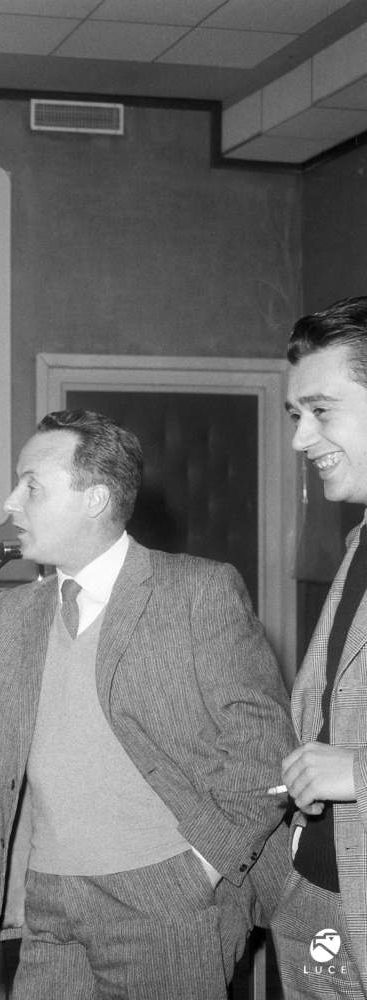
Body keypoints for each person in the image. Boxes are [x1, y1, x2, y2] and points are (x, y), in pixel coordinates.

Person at [0, 408, 295, 999]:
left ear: (95, 499)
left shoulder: (196, 592)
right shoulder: (15, 614)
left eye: (31, 486)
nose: (10, 502)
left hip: (165, 896)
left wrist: (201, 869)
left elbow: (264, 750)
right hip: (48, 896)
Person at [274, 295, 367, 997]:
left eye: (322, 411)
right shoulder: (359, 543)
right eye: (295, 415)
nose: (302, 439)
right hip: (320, 891)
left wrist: (359, 773)